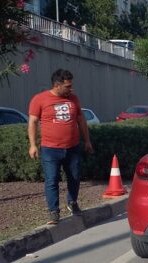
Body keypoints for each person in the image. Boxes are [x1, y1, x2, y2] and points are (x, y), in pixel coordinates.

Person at [28, 69, 94, 224]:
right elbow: (32, 122)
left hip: (72, 147)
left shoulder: (74, 99)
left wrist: (87, 141)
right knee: (52, 179)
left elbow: (81, 120)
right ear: (57, 85)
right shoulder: (40, 99)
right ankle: (53, 211)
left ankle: (72, 202)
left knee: (75, 177)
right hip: (50, 149)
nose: (71, 89)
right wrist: (33, 145)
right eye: (68, 86)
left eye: (71, 86)